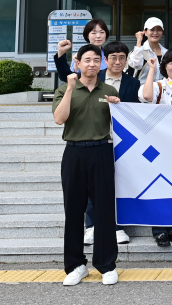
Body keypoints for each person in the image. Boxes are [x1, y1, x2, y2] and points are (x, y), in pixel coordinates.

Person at [52, 44, 121, 286]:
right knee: (73, 210)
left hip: (102, 152)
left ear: (102, 64)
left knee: (104, 210)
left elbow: (122, 124)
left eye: (96, 60)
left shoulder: (109, 89)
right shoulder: (64, 89)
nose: (92, 64)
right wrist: (71, 88)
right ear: (78, 63)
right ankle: (75, 265)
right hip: (74, 153)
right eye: (87, 60)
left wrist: (117, 105)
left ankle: (106, 265)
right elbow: (59, 118)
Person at [82, 41, 138, 246]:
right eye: (113, 57)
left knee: (118, 184)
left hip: (123, 141)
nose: (117, 61)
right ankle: (91, 225)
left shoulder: (133, 83)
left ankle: (117, 226)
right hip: (96, 138)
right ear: (105, 60)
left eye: (122, 58)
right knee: (92, 184)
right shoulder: (95, 79)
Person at [139, 48, 172, 247]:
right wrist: (152, 69)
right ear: (165, 66)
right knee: (159, 186)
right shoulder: (158, 85)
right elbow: (146, 97)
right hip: (159, 145)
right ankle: (159, 230)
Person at [128, 17, 166, 82]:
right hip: (141, 87)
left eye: (159, 30)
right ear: (145, 32)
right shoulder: (139, 51)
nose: (155, 33)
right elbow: (135, 65)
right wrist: (139, 41)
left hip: (161, 88)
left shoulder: (166, 53)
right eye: (152, 29)